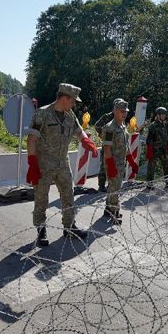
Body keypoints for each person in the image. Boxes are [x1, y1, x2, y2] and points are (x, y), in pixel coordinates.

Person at [26, 83, 98, 246]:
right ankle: (41, 229)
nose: (74, 104)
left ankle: (69, 227)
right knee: (41, 198)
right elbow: (31, 139)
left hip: (62, 162)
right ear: (64, 98)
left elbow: (79, 132)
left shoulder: (70, 115)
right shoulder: (42, 113)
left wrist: (87, 142)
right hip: (44, 164)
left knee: (68, 194)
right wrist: (32, 163)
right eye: (73, 100)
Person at [100, 100, 138, 224]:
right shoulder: (110, 127)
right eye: (122, 111)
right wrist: (110, 165)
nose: (124, 114)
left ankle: (108, 208)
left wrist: (131, 161)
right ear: (115, 111)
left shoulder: (123, 127)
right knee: (116, 188)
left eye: (125, 112)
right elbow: (106, 148)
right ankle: (114, 212)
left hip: (121, 162)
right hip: (112, 162)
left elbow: (125, 146)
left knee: (113, 186)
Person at [93, 98, 125, 192]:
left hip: (117, 146)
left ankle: (112, 184)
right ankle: (101, 185)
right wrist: (103, 134)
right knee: (104, 164)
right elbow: (97, 126)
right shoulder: (107, 117)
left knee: (117, 164)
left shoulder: (121, 117)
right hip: (107, 144)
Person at [145, 106, 168, 186]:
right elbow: (149, 140)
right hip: (155, 150)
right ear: (158, 115)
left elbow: (167, 137)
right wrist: (149, 151)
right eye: (162, 114)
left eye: (165, 115)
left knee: (167, 166)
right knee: (151, 167)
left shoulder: (165, 125)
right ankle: (149, 184)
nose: (164, 116)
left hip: (163, 150)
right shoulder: (153, 126)